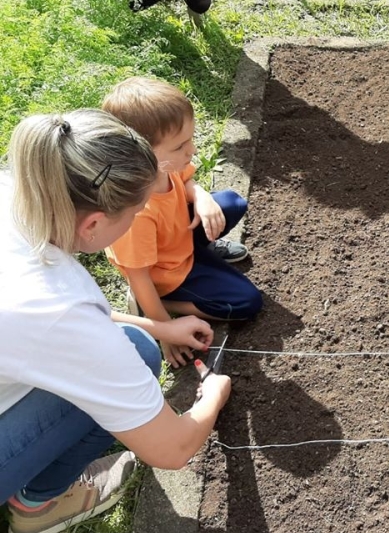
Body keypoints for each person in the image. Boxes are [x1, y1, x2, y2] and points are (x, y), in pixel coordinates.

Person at [0, 109, 231, 533]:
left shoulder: (14, 190)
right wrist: (212, 396)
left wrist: (160, 328)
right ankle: (37, 507)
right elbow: (174, 449)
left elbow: (63, 328)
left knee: (140, 343)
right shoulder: (57, 305)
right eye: (135, 213)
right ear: (93, 224)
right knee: (136, 354)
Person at [102, 77, 263, 368]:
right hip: (168, 274)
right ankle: (158, 304)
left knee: (230, 203)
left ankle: (204, 250)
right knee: (247, 303)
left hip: (179, 238)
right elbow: (140, 276)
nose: (191, 151)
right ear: (140, 154)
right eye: (180, 146)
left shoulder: (164, 166)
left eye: (190, 139)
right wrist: (164, 330)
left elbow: (185, 180)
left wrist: (200, 195)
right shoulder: (136, 212)